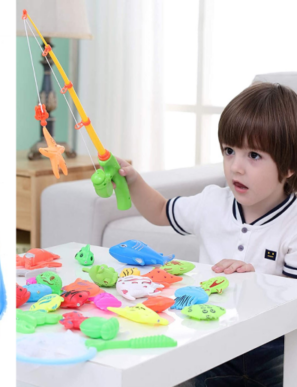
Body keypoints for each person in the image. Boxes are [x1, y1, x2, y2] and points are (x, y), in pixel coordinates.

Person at [118, 82, 297, 387]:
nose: (236, 167)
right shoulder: (213, 202)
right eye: (229, 151)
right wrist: (132, 180)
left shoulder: (292, 223)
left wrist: (257, 280)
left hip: (273, 351)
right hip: (210, 341)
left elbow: (292, 301)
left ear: (290, 165)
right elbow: (160, 211)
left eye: (253, 155)